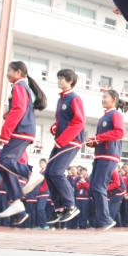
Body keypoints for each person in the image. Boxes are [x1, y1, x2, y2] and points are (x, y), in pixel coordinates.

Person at [0, 61, 47, 224]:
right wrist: (9, 112)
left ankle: (31, 172)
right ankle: (17, 203)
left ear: (18, 72)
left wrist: (5, 133)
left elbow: (19, 109)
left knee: (3, 161)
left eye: (9, 71)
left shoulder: (18, 86)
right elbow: (18, 108)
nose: (7, 74)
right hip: (24, 130)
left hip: (21, 131)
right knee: (4, 164)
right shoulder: (21, 87)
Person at [35, 68, 86, 225]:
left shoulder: (74, 98)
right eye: (58, 78)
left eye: (62, 78)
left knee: (56, 172)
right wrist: (55, 128)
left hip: (70, 142)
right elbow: (64, 120)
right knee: (49, 173)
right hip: (61, 141)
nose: (59, 80)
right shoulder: (61, 99)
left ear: (70, 81)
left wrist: (62, 139)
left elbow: (79, 122)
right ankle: (59, 208)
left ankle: (70, 206)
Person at [84, 90, 128, 231]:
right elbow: (101, 137)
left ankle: (105, 220)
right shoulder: (104, 117)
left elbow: (119, 132)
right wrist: (93, 142)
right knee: (93, 188)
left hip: (109, 155)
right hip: (100, 154)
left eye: (105, 97)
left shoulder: (115, 115)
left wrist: (98, 138)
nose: (102, 99)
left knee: (98, 187)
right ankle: (102, 219)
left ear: (113, 99)